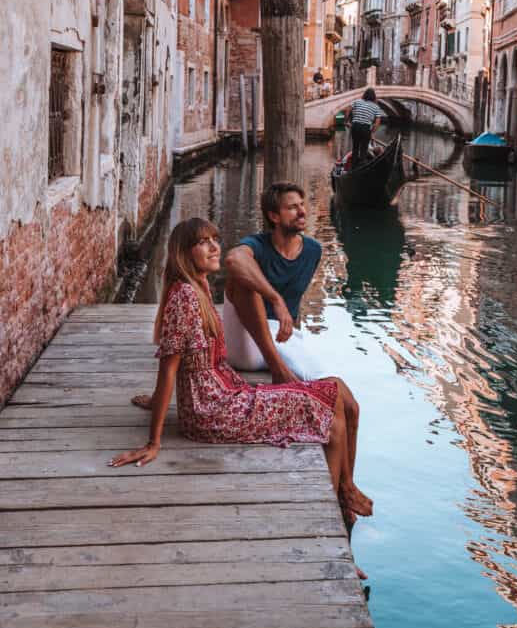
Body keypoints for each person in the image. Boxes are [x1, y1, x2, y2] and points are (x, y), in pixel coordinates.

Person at [112, 217, 372, 546]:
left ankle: (344, 494)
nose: (214, 247)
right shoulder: (185, 299)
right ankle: (339, 515)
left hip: (227, 396)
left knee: (335, 391)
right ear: (183, 252)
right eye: (203, 242)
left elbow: (179, 364)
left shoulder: (199, 287)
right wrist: (153, 442)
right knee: (331, 402)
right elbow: (169, 369)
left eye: (215, 239)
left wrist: (154, 400)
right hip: (215, 410)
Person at [222, 182, 325, 383]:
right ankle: (279, 371)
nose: (302, 212)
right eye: (292, 208)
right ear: (274, 216)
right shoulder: (258, 245)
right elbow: (234, 259)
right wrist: (275, 299)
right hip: (248, 344)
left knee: (331, 387)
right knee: (242, 280)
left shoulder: (313, 250)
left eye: (302, 205)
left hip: (284, 340)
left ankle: (283, 367)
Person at [347, 87, 382, 168]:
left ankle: (353, 167)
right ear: (374, 97)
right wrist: (372, 131)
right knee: (364, 148)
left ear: (364, 94)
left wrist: (347, 121)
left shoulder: (357, 101)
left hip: (355, 126)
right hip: (366, 128)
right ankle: (361, 166)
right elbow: (377, 122)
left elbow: (348, 109)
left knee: (355, 147)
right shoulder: (376, 107)